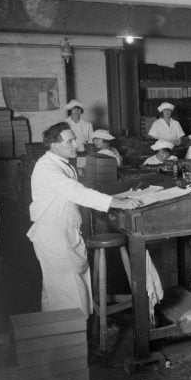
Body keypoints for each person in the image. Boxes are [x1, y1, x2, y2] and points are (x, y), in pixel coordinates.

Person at [27, 122, 140, 313]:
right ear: (54, 145)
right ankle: (76, 337)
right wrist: (116, 203)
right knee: (66, 291)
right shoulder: (47, 168)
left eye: (74, 140)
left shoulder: (62, 164)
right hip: (54, 234)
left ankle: (69, 333)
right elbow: (76, 192)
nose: (75, 146)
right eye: (69, 141)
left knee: (62, 288)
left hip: (66, 231)